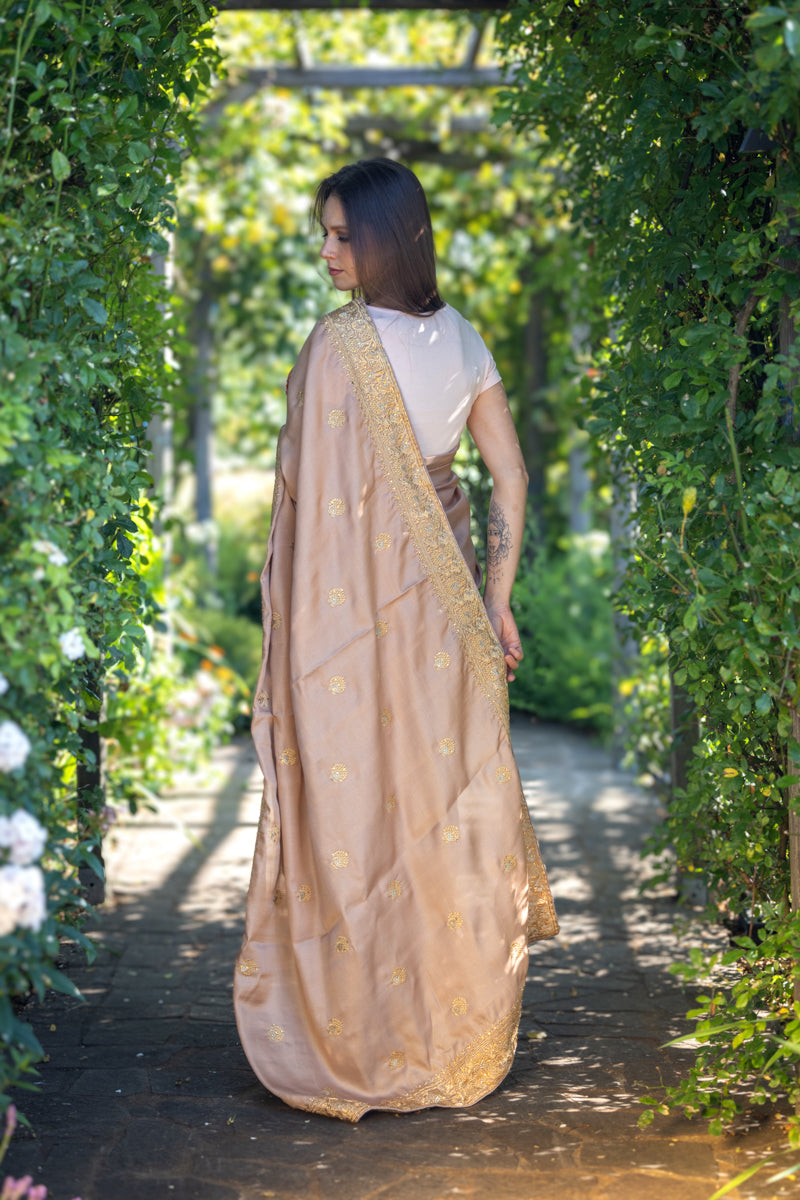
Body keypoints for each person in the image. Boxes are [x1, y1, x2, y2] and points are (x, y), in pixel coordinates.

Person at [234, 159, 557, 1122]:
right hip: (451, 611)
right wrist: (497, 602)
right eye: (324, 235)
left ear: (386, 236)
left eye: (342, 235)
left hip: (351, 629)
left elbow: (304, 510)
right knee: (441, 805)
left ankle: (363, 1032)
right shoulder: (465, 339)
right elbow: (510, 481)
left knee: (362, 808)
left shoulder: (337, 348)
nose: (327, 253)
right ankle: (452, 1028)